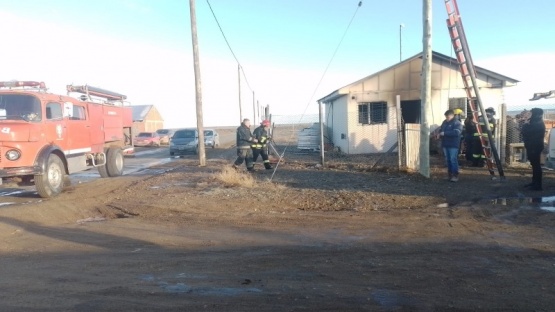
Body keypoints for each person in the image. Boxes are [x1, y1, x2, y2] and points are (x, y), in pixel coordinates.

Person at [522, 108, 545, 191]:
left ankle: (537, 185)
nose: (530, 115)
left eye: (531, 113)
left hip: (535, 147)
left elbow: (526, 131)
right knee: (534, 165)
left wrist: (525, 124)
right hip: (533, 146)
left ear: (535, 114)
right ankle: (534, 182)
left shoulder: (537, 123)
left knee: (536, 166)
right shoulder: (536, 122)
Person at [439, 109, 463, 182]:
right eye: (446, 117)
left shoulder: (457, 123)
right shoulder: (445, 122)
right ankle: (450, 174)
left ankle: (455, 175)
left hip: (453, 144)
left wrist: (445, 133)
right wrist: (439, 133)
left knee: (453, 159)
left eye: (448, 117)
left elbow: (457, 132)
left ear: (452, 116)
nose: (447, 118)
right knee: (448, 159)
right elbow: (441, 129)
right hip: (445, 143)